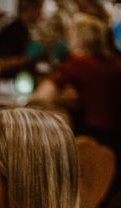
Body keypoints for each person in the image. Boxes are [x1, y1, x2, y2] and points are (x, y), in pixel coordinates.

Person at [32, 12, 121, 192]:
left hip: (92, 141)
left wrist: (58, 98)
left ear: (79, 37)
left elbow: (40, 97)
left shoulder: (78, 63)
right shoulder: (116, 63)